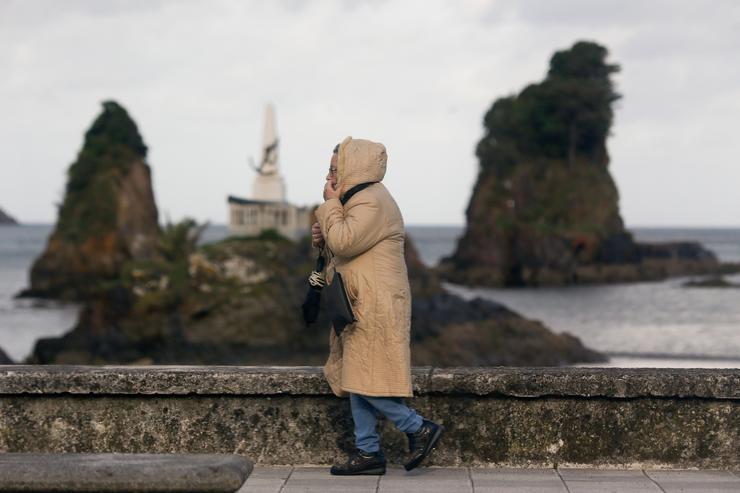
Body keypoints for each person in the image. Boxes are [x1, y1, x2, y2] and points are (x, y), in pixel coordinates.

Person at [312, 136, 444, 476]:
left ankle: (417, 427)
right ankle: (368, 452)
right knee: (360, 373)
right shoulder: (359, 200)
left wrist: (328, 207)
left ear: (352, 167)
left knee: (363, 377)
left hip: (375, 304)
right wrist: (324, 233)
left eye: (333, 168)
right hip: (363, 301)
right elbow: (343, 249)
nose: (329, 175)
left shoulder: (371, 201)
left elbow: (344, 240)